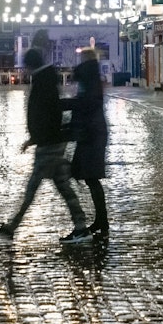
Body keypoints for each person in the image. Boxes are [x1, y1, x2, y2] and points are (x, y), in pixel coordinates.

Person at [0, 47, 92, 244]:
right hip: (51, 141)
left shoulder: (42, 81)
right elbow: (48, 112)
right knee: (64, 187)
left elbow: (45, 114)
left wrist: (37, 138)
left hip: (49, 145)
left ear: (31, 65)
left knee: (32, 189)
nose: (25, 71)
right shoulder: (45, 78)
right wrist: (33, 139)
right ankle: (81, 226)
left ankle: (12, 227)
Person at [63, 48, 109, 236]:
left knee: (90, 178)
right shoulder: (91, 77)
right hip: (92, 133)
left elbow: (85, 103)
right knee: (90, 178)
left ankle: (99, 221)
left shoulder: (87, 78)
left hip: (91, 134)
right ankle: (100, 220)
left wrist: (63, 105)